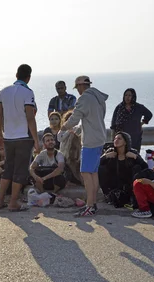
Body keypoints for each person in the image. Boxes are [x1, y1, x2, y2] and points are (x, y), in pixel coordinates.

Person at [59, 76, 109, 217]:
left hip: (90, 141)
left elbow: (74, 118)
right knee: (93, 173)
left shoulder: (84, 99)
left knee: (86, 173)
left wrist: (63, 127)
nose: (78, 91)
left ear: (81, 86)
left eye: (78, 87)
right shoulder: (99, 98)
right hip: (99, 138)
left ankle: (89, 206)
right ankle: (93, 204)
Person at [0, 64, 40, 211]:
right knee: (20, 171)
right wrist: (36, 140)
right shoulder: (28, 92)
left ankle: (0, 201)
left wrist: (0, 135)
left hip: (8, 137)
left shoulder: (3, 92)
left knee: (8, 169)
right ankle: (13, 203)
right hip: (23, 137)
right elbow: (30, 117)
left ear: (16, 75)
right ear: (29, 77)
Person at [98, 132, 148, 207]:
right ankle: (108, 195)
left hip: (128, 184)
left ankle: (134, 196)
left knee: (137, 167)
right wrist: (105, 156)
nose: (116, 140)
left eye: (119, 139)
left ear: (125, 142)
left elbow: (145, 167)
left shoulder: (133, 152)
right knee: (101, 168)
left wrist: (135, 157)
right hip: (113, 184)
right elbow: (96, 165)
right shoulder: (110, 152)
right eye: (115, 139)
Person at [57, 110, 82, 184]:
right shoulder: (64, 130)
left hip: (75, 153)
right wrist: (68, 131)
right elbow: (60, 138)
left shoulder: (78, 128)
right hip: (65, 153)